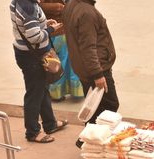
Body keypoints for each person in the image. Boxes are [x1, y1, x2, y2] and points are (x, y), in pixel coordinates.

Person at [62, 0, 119, 148]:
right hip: (96, 69)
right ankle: (89, 140)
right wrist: (98, 74)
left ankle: (88, 139)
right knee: (109, 105)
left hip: (84, 67)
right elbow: (88, 47)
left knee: (95, 106)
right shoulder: (86, 12)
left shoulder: (72, 4)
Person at [10, 0, 68, 143]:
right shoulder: (28, 7)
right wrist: (51, 30)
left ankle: (50, 123)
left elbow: (27, 27)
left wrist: (43, 24)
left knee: (41, 89)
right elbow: (34, 36)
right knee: (34, 94)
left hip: (27, 53)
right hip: (32, 57)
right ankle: (33, 132)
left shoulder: (18, 2)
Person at [39, 0, 84, 102]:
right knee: (56, 63)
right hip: (54, 32)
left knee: (71, 62)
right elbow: (37, 6)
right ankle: (57, 94)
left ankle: (75, 92)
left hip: (68, 30)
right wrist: (59, 7)